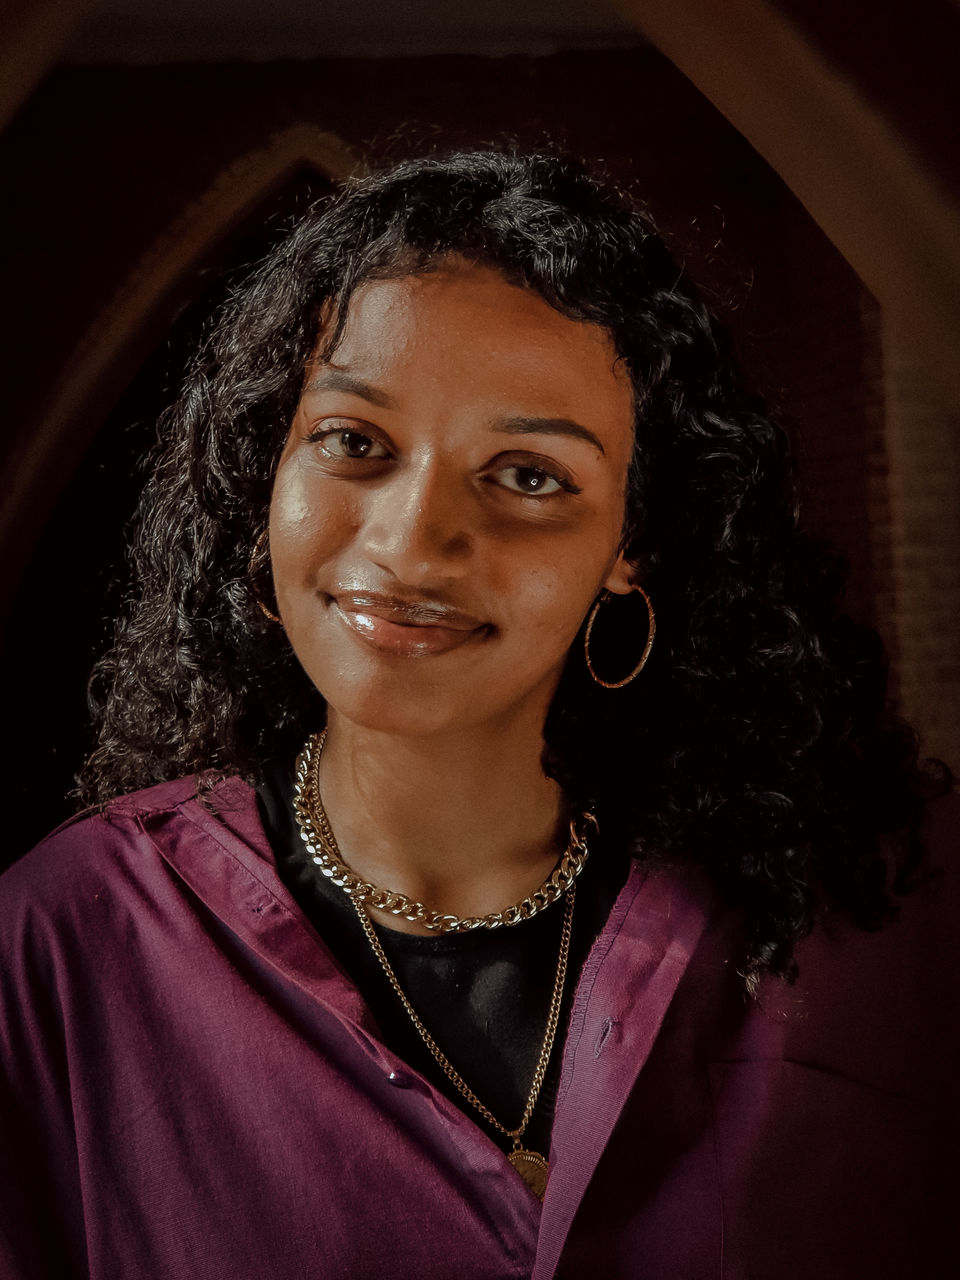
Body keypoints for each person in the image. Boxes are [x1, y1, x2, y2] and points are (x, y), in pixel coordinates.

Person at [0, 148, 955, 1280]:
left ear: (633, 546)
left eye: (530, 474)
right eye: (355, 442)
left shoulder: (866, 907)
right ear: (270, 474)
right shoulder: (65, 935)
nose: (410, 540)